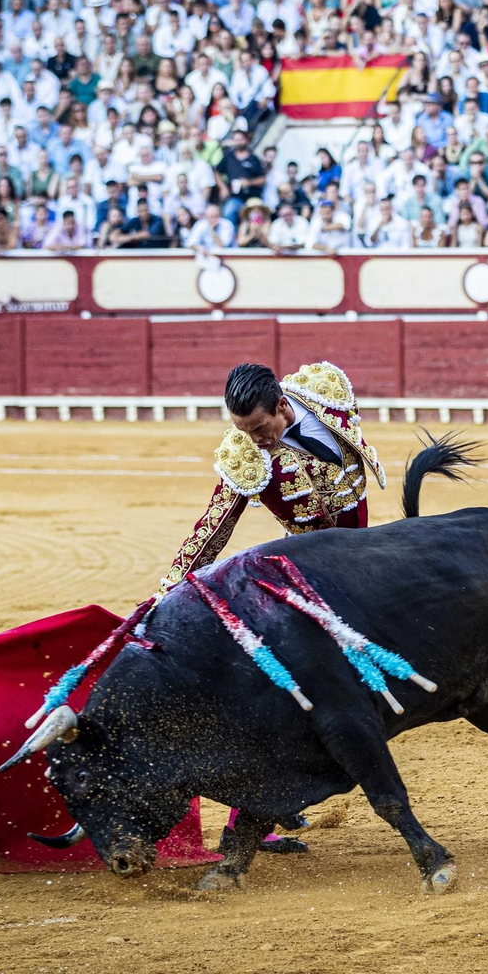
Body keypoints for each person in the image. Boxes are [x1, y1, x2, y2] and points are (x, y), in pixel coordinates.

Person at [161, 362, 386, 852]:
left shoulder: (326, 394)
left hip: (368, 569)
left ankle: (279, 802)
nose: (254, 440)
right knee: (296, 700)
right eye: (244, 431)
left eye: (260, 428)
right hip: (312, 583)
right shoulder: (247, 455)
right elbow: (213, 530)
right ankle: (250, 822)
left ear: (283, 405)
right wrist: (167, 591)